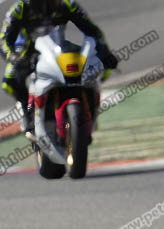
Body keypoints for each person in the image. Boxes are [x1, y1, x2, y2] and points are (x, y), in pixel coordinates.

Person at [0, 0, 118, 134]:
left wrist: (105, 52)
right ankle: (28, 112)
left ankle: (89, 111)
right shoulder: (20, 8)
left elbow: (93, 31)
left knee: (96, 67)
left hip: (58, 49)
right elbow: (3, 39)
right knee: (9, 81)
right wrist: (14, 58)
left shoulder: (68, 5)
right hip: (28, 52)